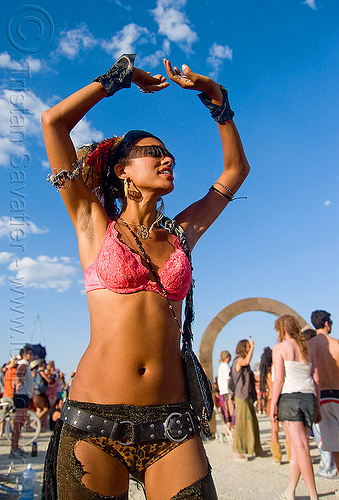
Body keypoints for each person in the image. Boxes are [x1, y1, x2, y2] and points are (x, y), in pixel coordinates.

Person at [41, 53, 250, 499]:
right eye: (153, 153)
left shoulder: (182, 234)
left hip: (172, 423)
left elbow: (235, 171)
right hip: (92, 420)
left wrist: (216, 99)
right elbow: (53, 123)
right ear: (122, 171)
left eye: (169, 154)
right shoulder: (93, 223)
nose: (167, 159)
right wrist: (119, 78)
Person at [270, 315, 321, 500]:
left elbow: (279, 380)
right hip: (309, 398)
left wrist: (272, 405)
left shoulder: (280, 348)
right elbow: (316, 380)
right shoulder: (307, 349)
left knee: (300, 446)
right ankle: (290, 491)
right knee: (299, 447)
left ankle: (313, 495)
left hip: (290, 399)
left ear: (283, 330)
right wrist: (318, 406)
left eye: (277, 330)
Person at [308, 310, 339, 475]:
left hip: (320, 399)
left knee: (334, 446)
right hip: (337, 395)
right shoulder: (336, 344)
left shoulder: (308, 346)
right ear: (327, 323)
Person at [232, 338, 262, 461]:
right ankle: (237, 451)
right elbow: (246, 360)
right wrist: (253, 348)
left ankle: (254, 448)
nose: (250, 348)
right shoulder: (238, 361)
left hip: (248, 396)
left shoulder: (246, 364)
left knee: (252, 423)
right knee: (241, 424)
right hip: (241, 396)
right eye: (248, 346)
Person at [259, 347, 290, 464]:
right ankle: (291, 455)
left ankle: (276, 456)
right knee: (287, 429)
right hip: (281, 399)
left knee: (274, 430)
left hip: (270, 400)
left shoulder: (265, 374)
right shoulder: (277, 369)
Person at [10, 347, 34, 457]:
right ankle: (14, 448)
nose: (32, 355)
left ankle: (15, 447)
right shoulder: (23, 364)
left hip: (24, 396)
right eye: (30, 353)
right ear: (25, 355)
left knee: (20, 423)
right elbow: (19, 374)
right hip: (21, 396)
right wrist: (18, 383)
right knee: (18, 423)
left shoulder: (25, 365)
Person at [217, 351, 235, 435]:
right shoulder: (225, 366)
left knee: (227, 415)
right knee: (232, 414)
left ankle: (228, 434)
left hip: (223, 392)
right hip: (227, 392)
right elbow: (229, 379)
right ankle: (231, 433)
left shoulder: (221, 366)